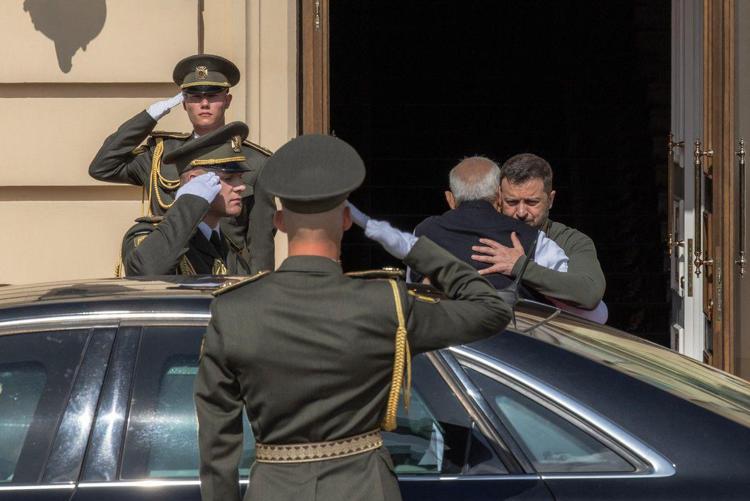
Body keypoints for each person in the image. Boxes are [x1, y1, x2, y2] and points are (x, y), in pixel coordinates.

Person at [194, 134, 512, 501]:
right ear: (347, 220)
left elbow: (217, 444)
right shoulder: (385, 304)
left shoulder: (233, 310)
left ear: (280, 222)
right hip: (364, 487)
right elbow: (492, 309)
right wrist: (407, 245)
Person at [89, 54, 275, 273]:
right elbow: (102, 167)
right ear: (184, 103)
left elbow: (260, 241)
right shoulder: (161, 153)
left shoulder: (256, 161)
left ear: (227, 100)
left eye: (213, 96)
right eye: (195, 97)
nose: (204, 104)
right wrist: (150, 116)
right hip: (168, 270)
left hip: (225, 273)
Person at [471, 153, 607, 321]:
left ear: (550, 200)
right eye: (512, 202)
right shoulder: (482, 235)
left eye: (531, 202)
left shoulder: (570, 240)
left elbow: (589, 293)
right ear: (499, 199)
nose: (521, 212)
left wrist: (519, 266)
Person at [412, 156, 568, 294]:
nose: (521, 212)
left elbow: (411, 291)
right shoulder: (535, 239)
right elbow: (571, 297)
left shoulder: (422, 233)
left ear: (450, 199)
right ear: (499, 196)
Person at [120, 122, 252, 276]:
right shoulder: (149, 235)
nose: (241, 187)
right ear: (194, 181)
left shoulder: (231, 253)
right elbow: (145, 272)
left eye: (240, 177)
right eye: (228, 178)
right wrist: (190, 203)